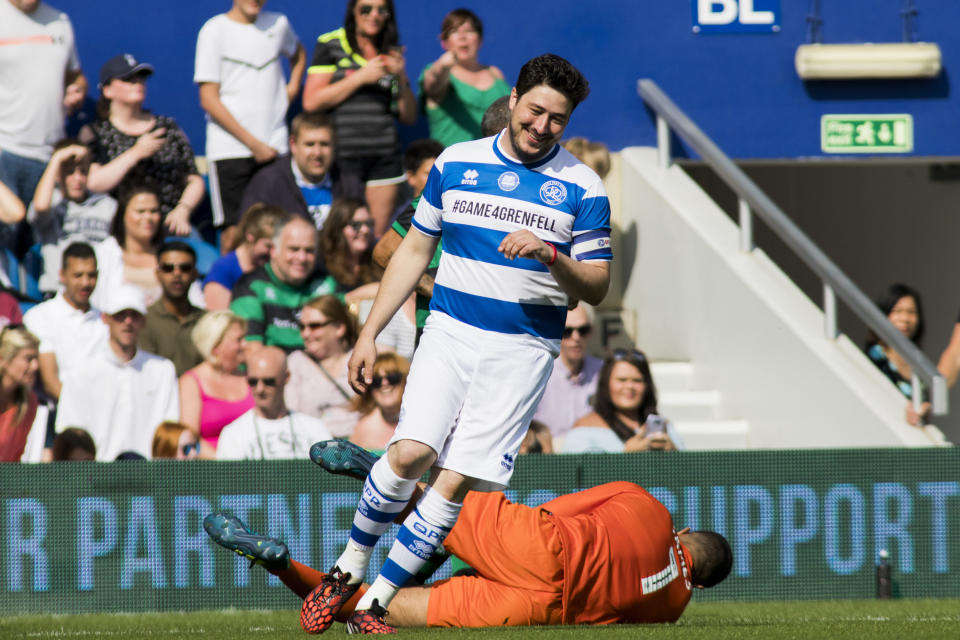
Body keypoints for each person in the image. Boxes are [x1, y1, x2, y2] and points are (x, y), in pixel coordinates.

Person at [313, 53, 612, 632]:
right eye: (535, 110)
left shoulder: (582, 185)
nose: (542, 126)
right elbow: (413, 250)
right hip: (448, 333)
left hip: (523, 350)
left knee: (455, 479)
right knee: (410, 455)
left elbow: (597, 286)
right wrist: (369, 333)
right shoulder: (456, 162)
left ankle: (374, 604)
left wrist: (553, 254)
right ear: (515, 97)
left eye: (557, 118)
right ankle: (348, 567)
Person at [204, 441, 732, 630]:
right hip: (540, 610)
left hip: (545, 546)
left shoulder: (647, 504)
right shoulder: (674, 608)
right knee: (376, 610)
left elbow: (555, 512)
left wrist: (481, 547)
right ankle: (277, 563)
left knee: (440, 506)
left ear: (685, 529)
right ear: (703, 585)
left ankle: (380, 472)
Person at [195, 0, 306, 249]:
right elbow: (208, 98)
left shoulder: (279, 24)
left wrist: (291, 89)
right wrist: (254, 144)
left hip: (275, 147)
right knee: (233, 234)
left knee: (281, 228)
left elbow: (299, 54)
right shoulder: (214, 31)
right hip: (230, 151)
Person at [302, 0, 417, 236]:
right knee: (344, 234)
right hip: (343, 158)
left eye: (381, 10)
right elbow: (311, 102)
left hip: (384, 158)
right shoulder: (330, 43)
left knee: (373, 237)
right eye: (366, 8)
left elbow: (409, 116)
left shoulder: (391, 51)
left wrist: (401, 75)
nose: (373, 15)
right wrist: (360, 78)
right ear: (353, 11)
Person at [80, 54, 204, 236]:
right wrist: (137, 152)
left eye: (141, 78)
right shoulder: (96, 132)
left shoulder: (167, 127)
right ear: (107, 90)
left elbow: (194, 179)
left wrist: (183, 210)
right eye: (128, 79)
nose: (137, 83)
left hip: (169, 223)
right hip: (118, 229)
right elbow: (95, 183)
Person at [55, 285, 179, 461]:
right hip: (97, 478)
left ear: (143, 321)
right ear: (105, 318)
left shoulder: (163, 370)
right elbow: (69, 433)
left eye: (134, 315)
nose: (128, 322)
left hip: (150, 478)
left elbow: (170, 430)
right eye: (120, 315)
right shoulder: (80, 370)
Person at [0, 0, 85, 210]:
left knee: (42, 241)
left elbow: (75, 76)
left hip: (51, 155)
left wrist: (76, 90)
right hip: (5, 149)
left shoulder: (60, 22)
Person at [371, 139, 444, 344]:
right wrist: (437, 291)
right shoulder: (422, 203)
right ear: (410, 177)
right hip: (430, 322)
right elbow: (383, 255)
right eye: (429, 173)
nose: (437, 179)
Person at [238, 112, 363, 230]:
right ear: (293, 144)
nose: (317, 153)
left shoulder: (348, 184)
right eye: (310, 144)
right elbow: (251, 232)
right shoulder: (268, 183)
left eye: (324, 144)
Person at [230, 216, 334, 353]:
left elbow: (358, 298)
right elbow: (251, 351)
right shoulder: (251, 287)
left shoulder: (325, 282)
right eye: (294, 249)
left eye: (309, 251)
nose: (302, 258)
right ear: (273, 250)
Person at [28, 139, 117, 294]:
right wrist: (57, 159)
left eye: (82, 171)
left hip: (101, 293)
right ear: (56, 173)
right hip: (59, 293)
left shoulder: (107, 205)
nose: (77, 178)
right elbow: (41, 207)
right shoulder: (52, 202)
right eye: (69, 172)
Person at [23, 242, 107, 401]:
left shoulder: (106, 321)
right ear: (62, 275)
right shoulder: (39, 316)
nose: (85, 283)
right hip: (57, 416)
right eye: (78, 275)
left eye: (91, 275)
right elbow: (50, 383)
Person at [216, 346, 332, 460]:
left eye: (269, 381)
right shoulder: (233, 434)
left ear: (286, 377)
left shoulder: (314, 429)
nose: (260, 389)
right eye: (253, 382)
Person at [419, 9, 510, 147]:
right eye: (454, 31)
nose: (462, 37)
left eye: (469, 31)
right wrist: (442, 66)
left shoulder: (495, 73)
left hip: (493, 163)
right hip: (454, 164)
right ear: (444, 42)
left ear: (480, 40)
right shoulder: (439, 72)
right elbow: (432, 84)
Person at [564, 349, 683, 453]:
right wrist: (626, 456)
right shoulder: (584, 430)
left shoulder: (663, 427)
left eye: (637, 380)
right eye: (622, 380)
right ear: (606, 384)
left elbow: (691, 476)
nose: (629, 387)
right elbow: (573, 475)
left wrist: (674, 454)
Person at [285, 295, 360, 439]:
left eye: (314, 326)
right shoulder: (296, 363)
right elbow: (292, 415)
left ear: (339, 328)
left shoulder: (360, 360)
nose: (306, 334)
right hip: (311, 449)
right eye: (302, 327)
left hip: (359, 448)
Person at [529, 302, 603, 448]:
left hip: (593, 451)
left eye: (583, 330)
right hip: (548, 452)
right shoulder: (540, 371)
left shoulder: (603, 371)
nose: (576, 338)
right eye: (567, 331)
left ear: (591, 332)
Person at [179, 310, 254, 453]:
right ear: (216, 346)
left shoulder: (251, 378)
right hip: (211, 469)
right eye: (239, 339)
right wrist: (223, 463)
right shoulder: (191, 382)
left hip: (254, 466)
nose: (245, 344)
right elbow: (189, 438)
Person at [92, 183, 165, 310]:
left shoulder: (169, 255)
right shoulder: (102, 254)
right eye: (140, 211)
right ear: (123, 215)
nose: (148, 217)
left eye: (154, 211)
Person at [865, 283, 929, 426]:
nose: (905, 318)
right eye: (898, 311)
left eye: (911, 312)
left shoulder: (920, 362)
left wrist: (926, 410)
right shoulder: (872, 359)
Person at [203, 204, 287, 311]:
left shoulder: (273, 268)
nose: (273, 253)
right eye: (268, 246)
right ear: (250, 235)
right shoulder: (224, 269)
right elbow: (217, 319)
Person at [139, 242, 204, 376]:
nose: (177, 274)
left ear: (195, 274)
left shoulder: (207, 322)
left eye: (185, 268)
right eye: (168, 268)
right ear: (157, 274)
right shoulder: (143, 321)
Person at [349, 352, 408, 453]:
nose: (384, 384)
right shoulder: (364, 428)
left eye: (392, 378)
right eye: (376, 380)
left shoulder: (419, 419)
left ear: (405, 380)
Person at [0, 327, 41, 462]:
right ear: (3, 359)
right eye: (28, 359)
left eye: (36, 358)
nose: (35, 366)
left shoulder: (30, 402)